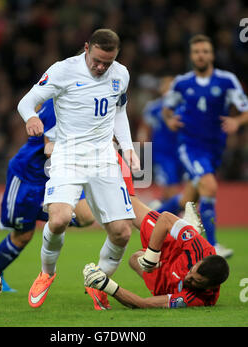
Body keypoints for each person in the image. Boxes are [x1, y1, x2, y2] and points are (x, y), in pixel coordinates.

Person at [17, 29, 141, 309]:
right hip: (68, 155)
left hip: (104, 158)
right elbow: (26, 101)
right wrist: (31, 117)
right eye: (97, 60)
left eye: (107, 63)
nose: (101, 67)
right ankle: (46, 273)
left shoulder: (121, 74)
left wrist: (128, 147)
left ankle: (98, 281)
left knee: (122, 232)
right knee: (59, 219)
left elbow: (119, 111)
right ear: (86, 48)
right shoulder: (63, 71)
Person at [0, 99, 95, 291]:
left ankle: (56, 217)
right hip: (29, 178)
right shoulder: (60, 104)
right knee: (23, 235)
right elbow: (49, 150)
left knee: (86, 216)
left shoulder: (84, 101)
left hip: (59, 173)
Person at [162, 34, 248, 258]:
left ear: (212, 55)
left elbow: (245, 108)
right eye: (197, 52)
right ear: (191, 56)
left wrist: (237, 121)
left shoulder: (226, 80)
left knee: (186, 200)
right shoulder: (181, 83)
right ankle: (212, 246)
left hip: (214, 150)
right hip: (190, 147)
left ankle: (151, 218)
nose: (201, 55)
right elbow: (166, 109)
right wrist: (170, 120)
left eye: (205, 51)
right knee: (209, 187)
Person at [83, 201, 229, 309]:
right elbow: (165, 218)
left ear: (211, 286)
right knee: (127, 203)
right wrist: (151, 256)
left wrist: (106, 285)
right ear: (200, 261)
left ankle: (184, 228)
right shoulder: (200, 249)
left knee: (134, 260)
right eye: (192, 272)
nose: (188, 278)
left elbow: (143, 303)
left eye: (197, 282)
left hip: (167, 284)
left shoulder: (196, 299)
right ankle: (185, 230)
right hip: (173, 249)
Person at [137, 76, 197, 212]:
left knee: (177, 190)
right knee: (171, 189)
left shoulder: (184, 106)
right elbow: (145, 127)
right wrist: (143, 141)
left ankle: (157, 213)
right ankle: (168, 219)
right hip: (162, 154)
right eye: (166, 86)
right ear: (161, 88)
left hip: (182, 153)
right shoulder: (154, 107)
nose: (168, 89)